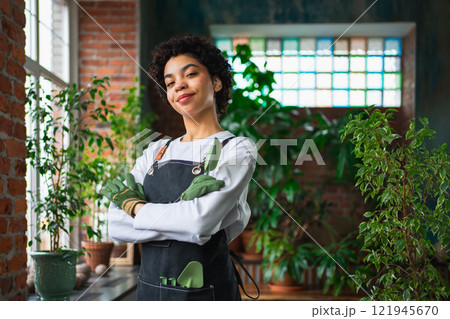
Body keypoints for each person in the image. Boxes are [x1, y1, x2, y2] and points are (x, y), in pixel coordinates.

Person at [103, 34, 257, 301]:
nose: (179, 86)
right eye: (170, 82)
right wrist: (184, 220)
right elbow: (115, 224)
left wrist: (136, 208)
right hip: (150, 293)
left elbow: (199, 221)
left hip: (208, 295)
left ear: (217, 82)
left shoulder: (237, 148)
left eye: (190, 74)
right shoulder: (155, 151)